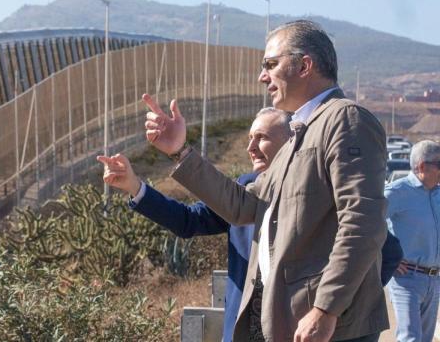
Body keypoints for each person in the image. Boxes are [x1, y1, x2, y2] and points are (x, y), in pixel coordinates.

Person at [141, 20, 389, 341]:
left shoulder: (345, 119)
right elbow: (245, 205)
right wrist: (180, 152)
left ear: (304, 65)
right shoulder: (300, 133)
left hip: (330, 328)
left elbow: (362, 223)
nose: (262, 77)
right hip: (293, 322)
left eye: (271, 65)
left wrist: (326, 308)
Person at [99, 107, 292, 341]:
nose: (250, 148)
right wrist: (133, 186)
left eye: (262, 137)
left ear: (292, 141)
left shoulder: (317, 194)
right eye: (250, 138)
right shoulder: (242, 191)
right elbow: (188, 220)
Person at [385, 140, 440, 342]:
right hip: (406, 279)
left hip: (434, 281)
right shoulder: (396, 192)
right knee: (410, 339)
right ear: (422, 166)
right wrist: (388, 258)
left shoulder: (438, 194)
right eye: (439, 164)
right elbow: (368, 224)